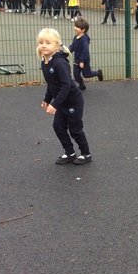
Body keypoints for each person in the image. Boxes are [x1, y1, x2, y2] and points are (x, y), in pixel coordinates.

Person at [37, 28, 92, 165]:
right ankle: (70, 152)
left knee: (75, 129)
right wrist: (47, 99)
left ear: (56, 45)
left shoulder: (59, 62)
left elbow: (66, 85)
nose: (43, 45)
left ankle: (86, 154)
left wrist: (54, 105)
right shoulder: (45, 62)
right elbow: (52, 84)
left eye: (48, 43)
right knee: (59, 127)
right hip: (62, 102)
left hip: (73, 101)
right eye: (41, 42)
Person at [68, 17, 104, 91]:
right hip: (77, 60)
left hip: (84, 60)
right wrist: (67, 51)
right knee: (76, 75)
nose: (75, 28)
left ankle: (98, 73)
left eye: (77, 27)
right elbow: (73, 46)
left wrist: (82, 61)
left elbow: (85, 51)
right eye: (75, 26)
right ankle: (82, 85)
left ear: (83, 30)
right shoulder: (76, 37)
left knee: (86, 74)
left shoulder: (84, 39)